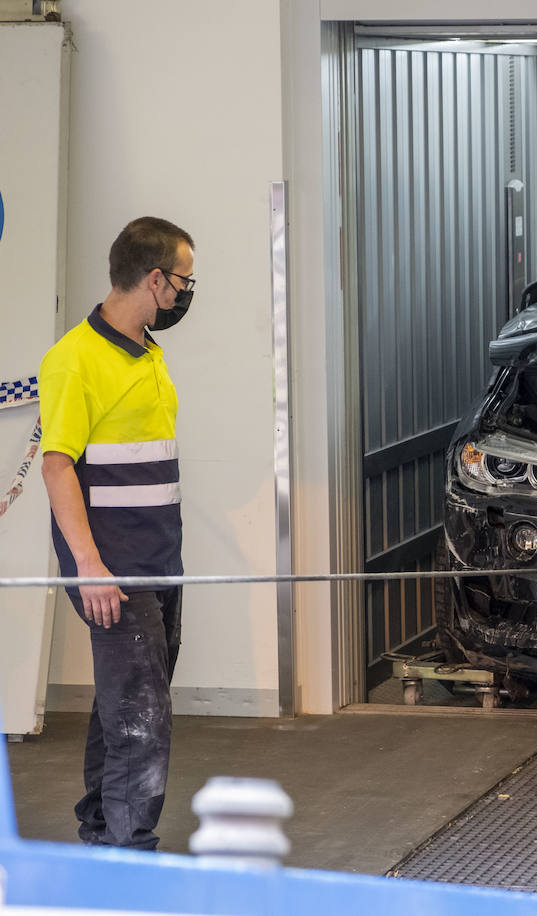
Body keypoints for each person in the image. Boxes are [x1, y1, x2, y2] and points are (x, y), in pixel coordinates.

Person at [38, 216, 195, 850]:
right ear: (153, 279)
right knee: (140, 717)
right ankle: (131, 860)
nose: (186, 292)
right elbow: (57, 467)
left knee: (129, 703)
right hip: (115, 567)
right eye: (183, 280)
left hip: (159, 557)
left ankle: (103, 829)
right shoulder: (75, 360)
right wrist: (89, 567)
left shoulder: (147, 351)